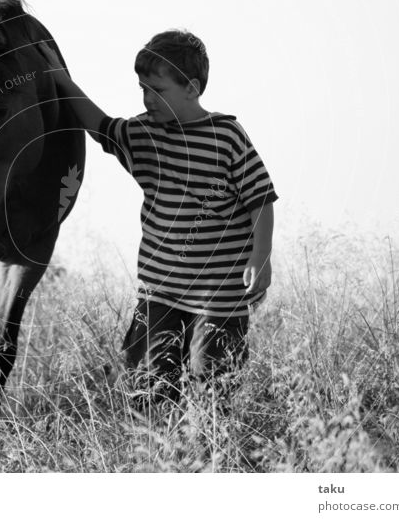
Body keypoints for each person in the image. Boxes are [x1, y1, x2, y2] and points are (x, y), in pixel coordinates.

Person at [37, 30, 278, 406]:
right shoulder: (143, 134)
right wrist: (57, 77)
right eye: (142, 88)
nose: (148, 98)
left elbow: (261, 199)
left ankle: (208, 455)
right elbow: (99, 126)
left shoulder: (226, 136)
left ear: (192, 88)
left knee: (212, 388)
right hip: (159, 291)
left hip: (219, 296)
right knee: (148, 386)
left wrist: (260, 258)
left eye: (158, 90)